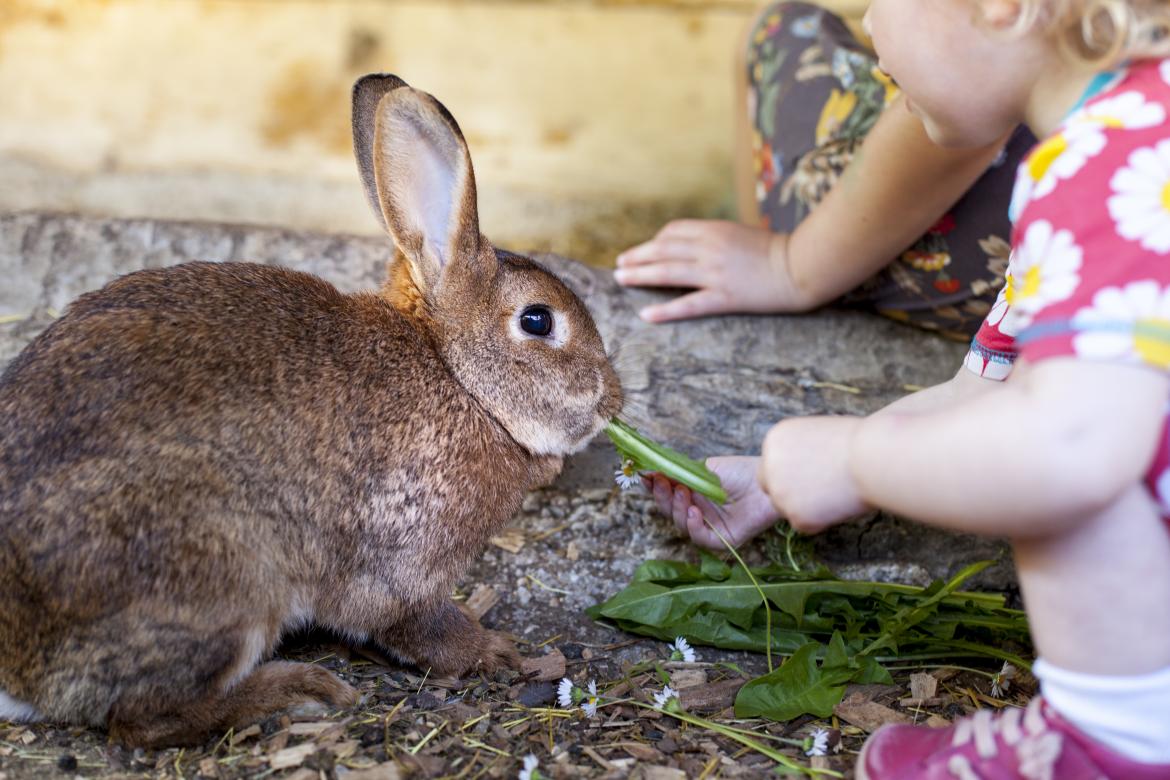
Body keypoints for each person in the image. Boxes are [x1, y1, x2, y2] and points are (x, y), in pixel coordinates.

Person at [636, 0, 1170, 777]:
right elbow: (987, 391)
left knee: (1053, 450)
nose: (866, 27)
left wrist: (856, 460)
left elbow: (1068, 448)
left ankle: (1109, 740)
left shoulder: (1109, 164)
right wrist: (781, 483)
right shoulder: (1128, 135)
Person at [615, 2, 1035, 341]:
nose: (869, 20)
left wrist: (790, 266)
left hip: (980, 271)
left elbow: (971, 90)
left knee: (775, 24)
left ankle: (771, 253)